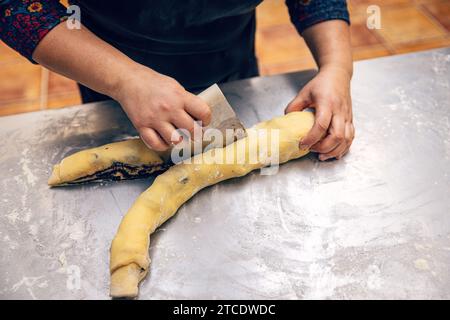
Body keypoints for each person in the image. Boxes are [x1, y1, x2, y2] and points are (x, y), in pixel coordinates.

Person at [0, 0, 354, 160]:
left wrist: (336, 67)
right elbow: (15, 6)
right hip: (108, 74)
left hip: (232, 72)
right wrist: (126, 80)